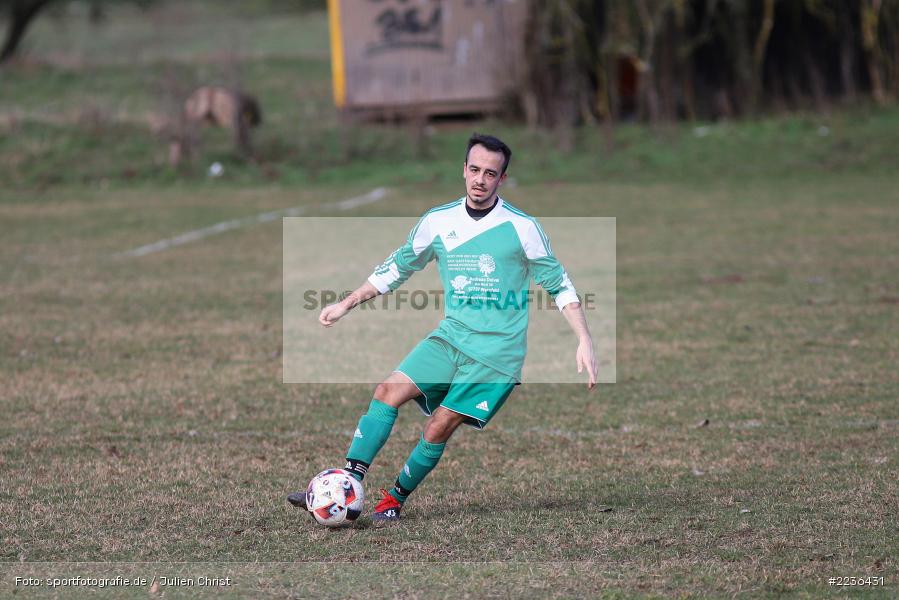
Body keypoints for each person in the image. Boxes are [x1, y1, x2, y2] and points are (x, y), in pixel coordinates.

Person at [289, 133, 597, 522]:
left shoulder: (523, 228)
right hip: (451, 337)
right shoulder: (438, 221)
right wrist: (346, 302)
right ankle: (345, 485)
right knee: (387, 392)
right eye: (474, 170)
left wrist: (584, 338)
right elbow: (398, 266)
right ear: (463, 170)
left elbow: (560, 285)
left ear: (502, 179)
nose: (480, 180)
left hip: (496, 355)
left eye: (490, 173)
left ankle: (392, 501)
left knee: (439, 425)